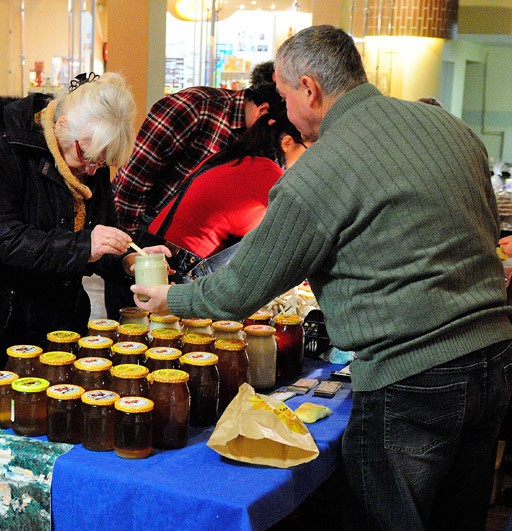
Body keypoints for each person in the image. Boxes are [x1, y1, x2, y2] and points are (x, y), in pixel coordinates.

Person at [132, 25, 512, 530]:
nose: (284, 111)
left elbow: (240, 289)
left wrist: (168, 298)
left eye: (286, 96)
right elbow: (487, 225)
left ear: (309, 89)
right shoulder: (450, 128)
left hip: (412, 375)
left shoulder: (319, 170)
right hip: (495, 356)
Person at [0, 72, 168, 408]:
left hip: (58, 328)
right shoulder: (3, 150)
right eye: (87, 157)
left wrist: (127, 259)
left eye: (102, 162)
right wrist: (82, 246)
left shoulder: (89, 158)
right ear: (63, 124)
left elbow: (100, 236)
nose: (92, 168)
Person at [113, 62, 284, 235]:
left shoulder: (257, 136)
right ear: (262, 111)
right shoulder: (194, 106)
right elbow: (133, 180)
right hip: (146, 223)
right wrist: (129, 246)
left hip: (190, 237)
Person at [146, 111, 307, 262]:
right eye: (309, 150)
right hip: (180, 262)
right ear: (287, 143)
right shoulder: (267, 172)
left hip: (154, 246)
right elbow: (301, 222)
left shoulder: (235, 157)